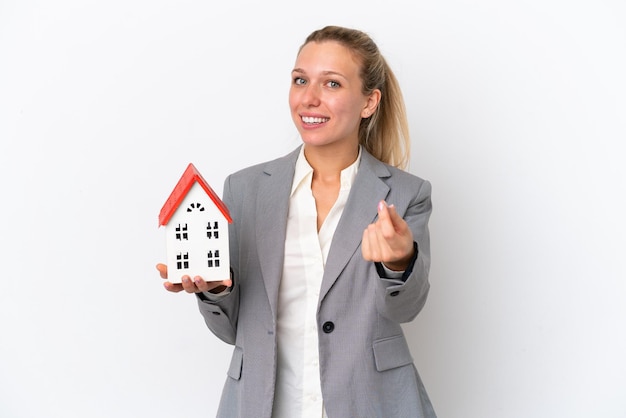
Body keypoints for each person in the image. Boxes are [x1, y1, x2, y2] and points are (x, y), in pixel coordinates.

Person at [157, 25, 436, 418]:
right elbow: (230, 329)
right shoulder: (245, 189)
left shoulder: (406, 194)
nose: (309, 98)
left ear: (369, 102)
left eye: (332, 84)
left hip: (370, 402)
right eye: (300, 80)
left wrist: (399, 262)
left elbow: (406, 308)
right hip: (264, 403)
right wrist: (215, 291)